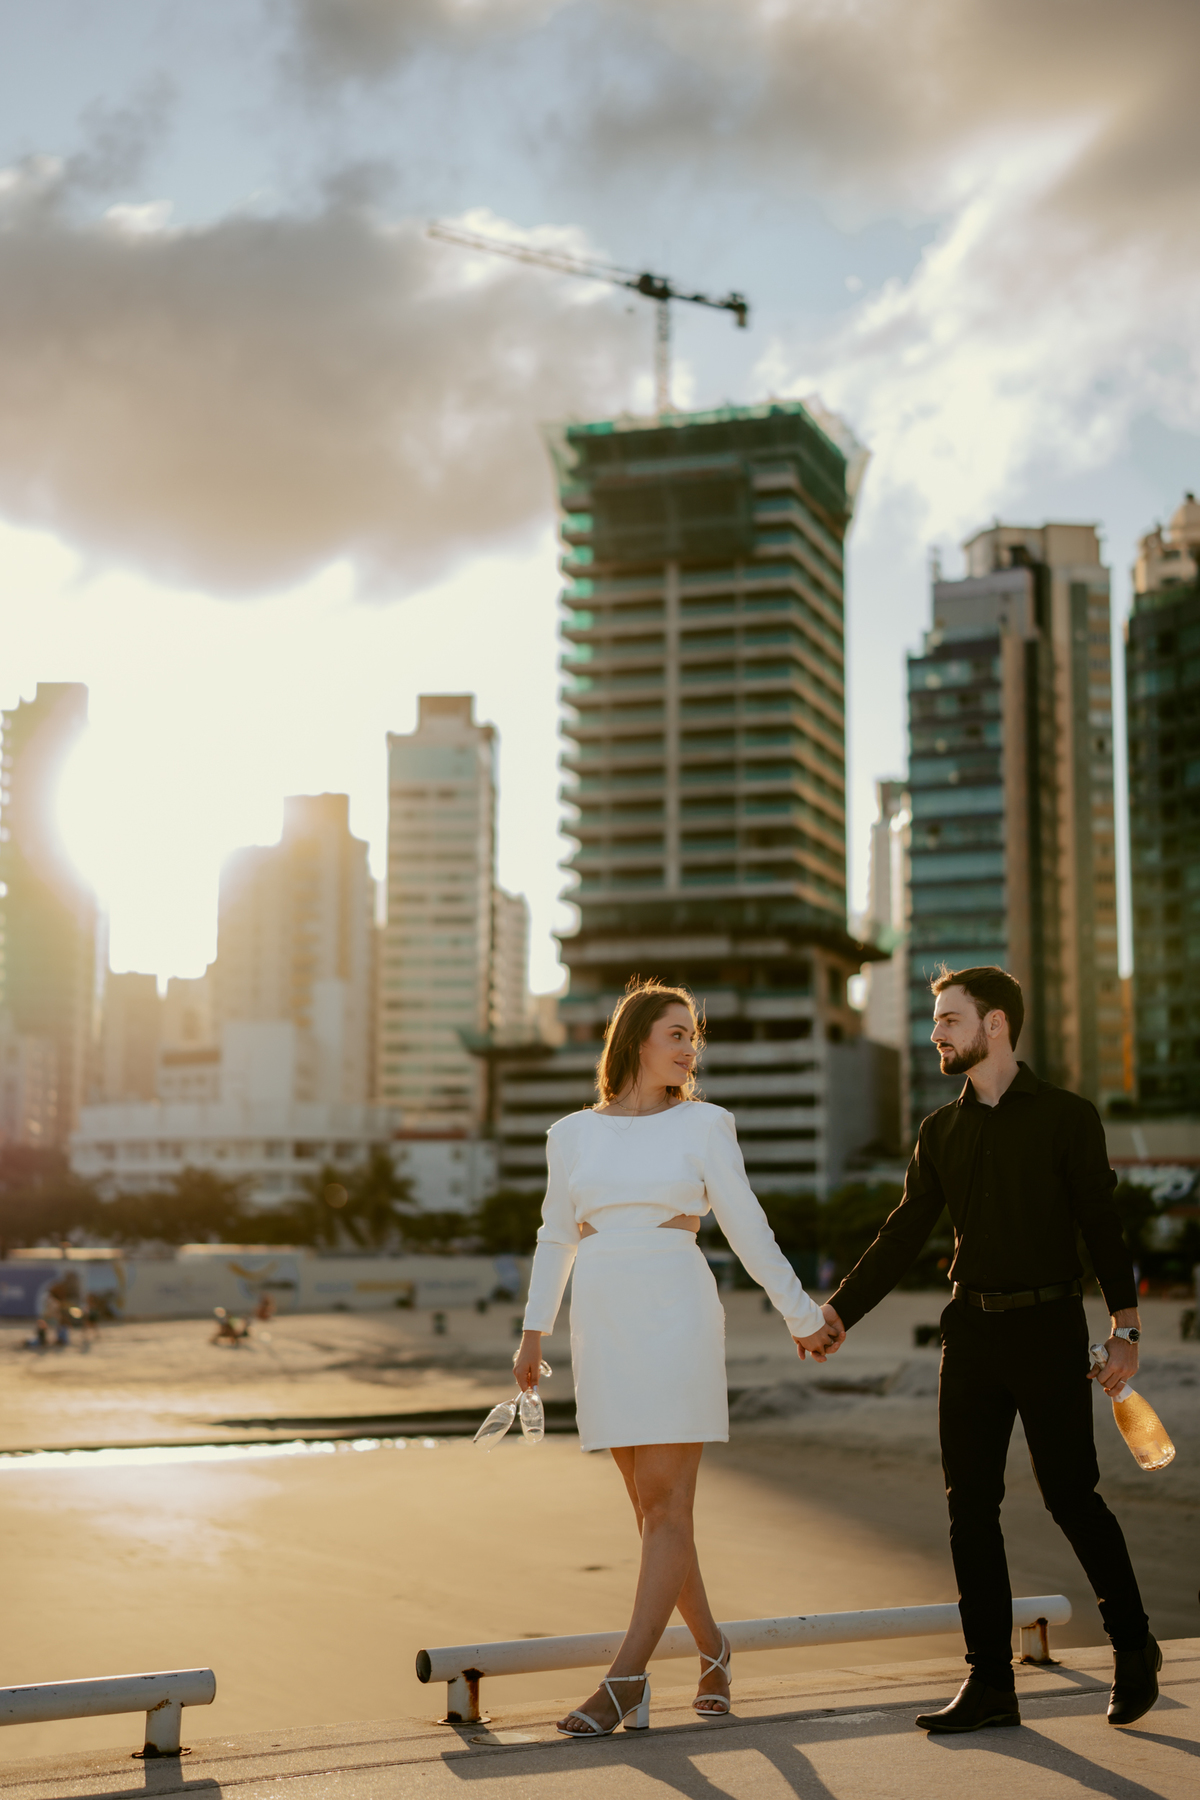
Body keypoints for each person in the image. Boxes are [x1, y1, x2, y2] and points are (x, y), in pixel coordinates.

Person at [818, 965, 1159, 1734]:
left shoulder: (1068, 1117)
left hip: (1049, 1327)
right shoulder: (940, 1131)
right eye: (936, 1020)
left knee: (1071, 1496)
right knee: (969, 1507)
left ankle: (1134, 1647)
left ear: (995, 1023)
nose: (935, 1033)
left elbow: (1101, 1224)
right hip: (969, 1331)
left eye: (949, 1019)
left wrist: (1126, 1329)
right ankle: (989, 1683)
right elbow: (902, 1235)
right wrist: (839, 1313)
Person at [514, 979, 839, 1738]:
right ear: (635, 1040)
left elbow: (747, 1225)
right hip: (603, 1317)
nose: (691, 1049)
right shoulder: (570, 1134)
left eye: (694, 1036)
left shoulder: (705, 1124)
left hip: (674, 1310)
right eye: (677, 1034)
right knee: (652, 1510)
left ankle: (626, 1679)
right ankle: (714, 1648)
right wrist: (534, 1331)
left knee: (665, 1506)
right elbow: (556, 1235)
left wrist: (801, 1313)